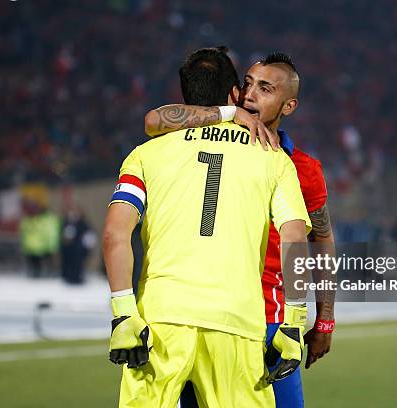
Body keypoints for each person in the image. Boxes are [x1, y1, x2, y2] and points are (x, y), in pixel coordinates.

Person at [102, 46, 311, 408]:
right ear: (234, 94)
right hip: (237, 322)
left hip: (161, 321)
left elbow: (114, 234)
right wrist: (295, 321)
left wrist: (123, 312)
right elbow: (294, 237)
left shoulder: (146, 153)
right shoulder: (273, 157)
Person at [145, 52, 336, 408]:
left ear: (288, 105)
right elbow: (156, 121)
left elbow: (322, 241)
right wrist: (228, 114)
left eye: (265, 88)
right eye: (247, 84)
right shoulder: (205, 142)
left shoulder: (302, 169)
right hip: (205, 316)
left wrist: (324, 318)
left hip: (269, 323)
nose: (250, 95)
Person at [60, 206, 96, 284]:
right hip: (69, 251)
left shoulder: (84, 224)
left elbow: (89, 237)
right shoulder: (66, 223)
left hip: (80, 251)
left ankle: (77, 277)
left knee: (78, 264)